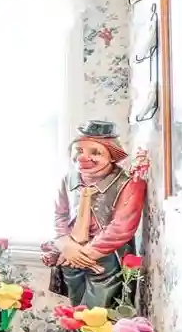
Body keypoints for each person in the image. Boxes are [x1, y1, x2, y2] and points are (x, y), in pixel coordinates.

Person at [41, 121, 147, 308]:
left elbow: (122, 227)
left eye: (95, 152)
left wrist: (84, 254)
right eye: (79, 150)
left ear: (112, 155)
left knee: (98, 316)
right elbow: (60, 214)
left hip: (104, 258)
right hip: (70, 253)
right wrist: (66, 245)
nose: (83, 158)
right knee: (76, 311)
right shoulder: (68, 179)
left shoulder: (128, 183)